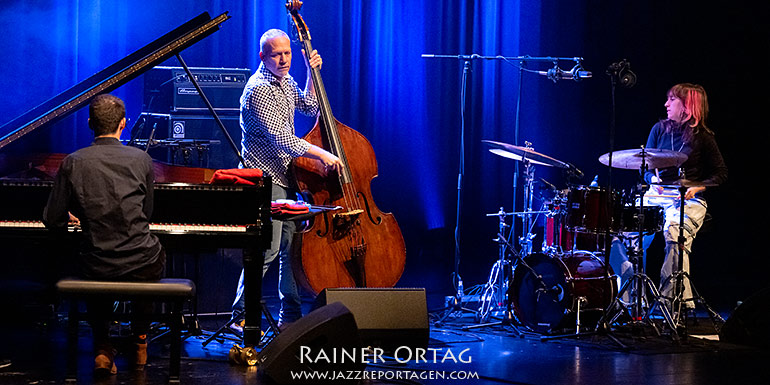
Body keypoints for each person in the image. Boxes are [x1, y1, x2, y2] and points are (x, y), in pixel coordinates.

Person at [43, 94, 165, 375]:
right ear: (123, 124)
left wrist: (74, 220)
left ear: (89, 124)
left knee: (91, 257)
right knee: (152, 255)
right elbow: (146, 215)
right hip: (140, 261)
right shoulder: (142, 160)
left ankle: (102, 346)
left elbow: (52, 218)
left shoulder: (73, 162)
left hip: (97, 261)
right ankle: (140, 340)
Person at [230, 29, 342, 330]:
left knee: (292, 251)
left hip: (286, 177)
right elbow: (282, 139)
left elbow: (309, 106)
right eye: (277, 54)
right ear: (262, 56)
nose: (283, 59)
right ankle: (238, 315)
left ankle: (290, 317)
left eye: (287, 53)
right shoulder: (258, 89)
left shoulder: (285, 80)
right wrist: (324, 155)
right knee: (267, 250)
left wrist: (311, 72)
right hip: (265, 179)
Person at [611, 83, 727, 318]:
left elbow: (720, 173)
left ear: (688, 105)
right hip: (657, 195)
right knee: (619, 235)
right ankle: (632, 298)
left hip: (688, 199)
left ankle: (669, 303)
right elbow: (644, 166)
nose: (666, 104)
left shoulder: (703, 137)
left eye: (672, 100)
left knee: (674, 234)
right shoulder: (659, 130)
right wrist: (651, 179)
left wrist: (698, 186)